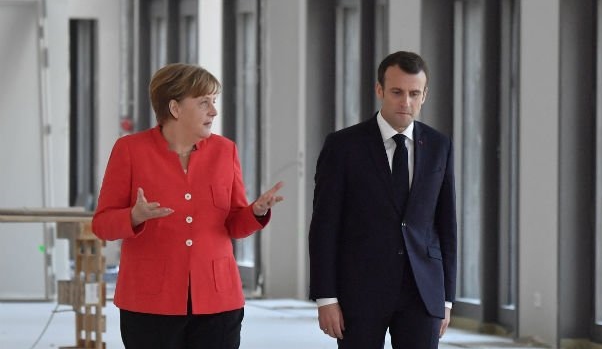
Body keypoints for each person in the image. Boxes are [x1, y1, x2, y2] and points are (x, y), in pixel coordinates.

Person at [92, 63, 283, 349]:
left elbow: (233, 224)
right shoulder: (130, 150)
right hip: (150, 301)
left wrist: (256, 211)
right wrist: (134, 216)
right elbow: (102, 224)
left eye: (214, 102)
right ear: (175, 108)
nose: (213, 111)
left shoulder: (225, 151)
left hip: (218, 299)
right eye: (204, 102)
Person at [308, 51, 457, 349]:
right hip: (359, 290)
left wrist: (446, 298)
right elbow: (325, 225)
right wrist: (326, 297)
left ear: (424, 95)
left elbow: (446, 223)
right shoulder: (343, 146)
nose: (406, 102)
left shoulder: (439, 145)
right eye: (397, 92)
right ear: (379, 90)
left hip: (422, 291)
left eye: (415, 93)